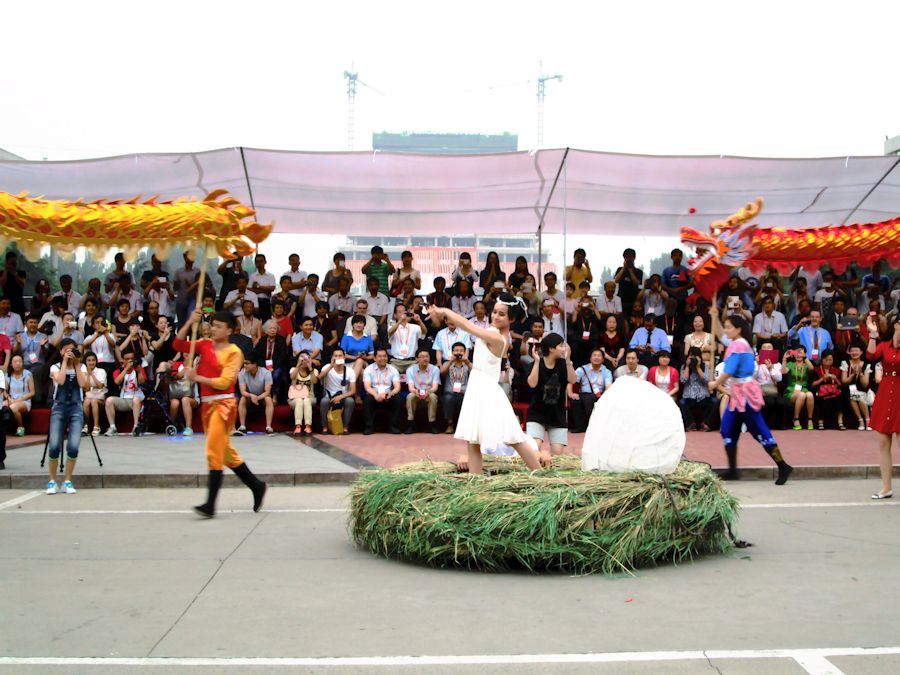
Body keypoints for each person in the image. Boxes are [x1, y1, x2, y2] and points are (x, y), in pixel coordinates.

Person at [425, 294, 543, 474]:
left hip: (487, 389)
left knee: (514, 436)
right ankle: (475, 480)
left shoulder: (497, 338)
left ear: (511, 318)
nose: (495, 316)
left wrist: (445, 311)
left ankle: (540, 475)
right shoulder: (493, 332)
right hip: (478, 386)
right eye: (494, 312)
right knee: (473, 438)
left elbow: (468, 326)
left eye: (502, 314)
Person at [175, 309, 267, 517]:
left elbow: (225, 382)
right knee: (225, 453)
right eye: (212, 325)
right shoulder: (204, 345)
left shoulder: (234, 352)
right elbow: (178, 345)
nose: (213, 329)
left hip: (223, 405)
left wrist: (196, 377)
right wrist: (190, 322)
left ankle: (210, 505)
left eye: (218, 326)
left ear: (229, 330)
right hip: (207, 406)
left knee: (213, 452)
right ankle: (256, 485)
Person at [707, 315, 793, 484]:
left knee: (759, 431)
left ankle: (783, 466)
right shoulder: (737, 342)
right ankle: (732, 470)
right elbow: (722, 336)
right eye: (725, 327)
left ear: (738, 329)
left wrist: (715, 383)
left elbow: (729, 370)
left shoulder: (738, 346)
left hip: (745, 396)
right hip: (737, 394)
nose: (725, 330)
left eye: (729, 327)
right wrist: (714, 316)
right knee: (727, 429)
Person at [44, 339, 88, 495]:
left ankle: (67, 480)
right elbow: (61, 380)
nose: (70, 353)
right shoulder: (55, 367)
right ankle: (52, 481)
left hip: (76, 407)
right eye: (67, 350)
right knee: (54, 445)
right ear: (61, 351)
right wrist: (65, 362)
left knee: (73, 446)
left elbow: (84, 385)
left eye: (73, 350)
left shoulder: (81, 367)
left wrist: (76, 364)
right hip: (59, 407)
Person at [866, 315, 900, 499]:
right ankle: (886, 487)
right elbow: (871, 355)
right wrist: (873, 334)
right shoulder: (885, 345)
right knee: (883, 442)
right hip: (886, 391)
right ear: (897, 324)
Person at [569, 348, 613, 433]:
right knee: (575, 401)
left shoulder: (606, 372)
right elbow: (570, 381)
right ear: (590, 358)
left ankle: (592, 427)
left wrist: (605, 398)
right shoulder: (582, 369)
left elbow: (608, 387)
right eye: (594, 355)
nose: (596, 357)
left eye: (599, 356)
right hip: (583, 394)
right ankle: (580, 427)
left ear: (603, 360)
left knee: (591, 399)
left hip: (599, 396)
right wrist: (571, 394)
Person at [104, 352, 146, 436]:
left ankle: (135, 427)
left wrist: (139, 372)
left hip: (136, 400)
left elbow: (142, 382)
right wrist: (126, 369)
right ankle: (112, 427)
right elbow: (117, 381)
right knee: (109, 400)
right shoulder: (118, 371)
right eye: (127, 359)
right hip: (123, 399)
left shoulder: (139, 369)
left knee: (136, 399)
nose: (130, 360)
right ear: (123, 361)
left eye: (132, 358)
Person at [361, 348, 402, 435]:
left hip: (388, 396)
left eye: (384, 356)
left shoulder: (393, 369)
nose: (382, 358)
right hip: (374, 395)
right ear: (375, 358)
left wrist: (391, 393)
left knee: (398, 398)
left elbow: (397, 386)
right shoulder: (369, 369)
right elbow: (367, 387)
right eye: (380, 356)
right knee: (367, 399)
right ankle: (369, 427)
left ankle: (393, 426)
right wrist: (376, 395)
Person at [318, 348, 356, 434]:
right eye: (336, 356)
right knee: (324, 401)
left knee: (350, 401)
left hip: (343, 396)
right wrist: (331, 365)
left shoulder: (350, 371)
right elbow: (319, 377)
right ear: (332, 357)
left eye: (340, 356)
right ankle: (325, 427)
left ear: (344, 357)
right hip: (329, 396)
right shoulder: (327, 367)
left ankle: (345, 427)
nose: (338, 358)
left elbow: (353, 390)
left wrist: (340, 397)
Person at [403, 348, 441, 434]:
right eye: (422, 357)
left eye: (427, 356)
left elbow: (435, 387)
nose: (425, 359)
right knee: (410, 396)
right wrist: (415, 391)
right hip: (416, 392)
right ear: (416, 359)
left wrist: (429, 391)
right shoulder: (410, 370)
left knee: (433, 397)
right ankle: (410, 422)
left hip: (429, 392)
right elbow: (411, 387)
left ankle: (432, 423)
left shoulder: (435, 369)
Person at [235, 355, 275, 436]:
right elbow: (243, 391)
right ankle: (242, 427)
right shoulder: (242, 373)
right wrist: (251, 396)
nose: (245, 365)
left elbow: (267, 392)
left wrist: (257, 397)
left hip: (262, 397)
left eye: (247, 363)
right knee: (243, 399)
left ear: (255, 364)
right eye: (244, 363)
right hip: (249, 397)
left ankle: (268, 427)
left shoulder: (266, 373)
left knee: (268, 399)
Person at [680, 347, 716, 432]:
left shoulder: (705, 366)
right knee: (682, 403)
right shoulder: (684, 367)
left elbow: (707, 380)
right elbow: (683, 380)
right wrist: (688, 366)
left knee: (714, 402)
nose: (693, 359)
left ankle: (706, 423)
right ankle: (690, 424)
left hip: (703, 396)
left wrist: (698, 367)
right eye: (691, 356)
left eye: (696, 357)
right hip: (689, 396)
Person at [439, 341, 470, 434]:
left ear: (465, 353)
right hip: (450, 392)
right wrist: (450, 362)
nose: (458, 353)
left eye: (461, 351)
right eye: (456, 350)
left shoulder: (467, 365)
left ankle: (464, 426)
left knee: (468, 399)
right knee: (448, 399)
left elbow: (475, 372)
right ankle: (450, 424)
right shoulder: (448, 364)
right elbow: (442, 372)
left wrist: (467, 362)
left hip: (465, 392)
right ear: (452, 352)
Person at [841, 343, 872, 431]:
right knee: (852, 397)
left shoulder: (866, 365)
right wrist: (853, 374)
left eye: (856, 351)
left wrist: (861, 374)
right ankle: (860, 420)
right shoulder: (845, 363)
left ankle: (868, 420)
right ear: (849, 352)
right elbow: (844, 381)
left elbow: (865, 384)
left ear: (861, 352)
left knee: (861, 396)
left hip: (861, 389)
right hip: (849, 389)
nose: (854, 353)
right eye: (852, 351)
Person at [782, 346, 815, 430]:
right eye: (797, 353)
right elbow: (783, 371)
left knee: (810, 395)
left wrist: (805, 357)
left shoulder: (806, 365)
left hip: (803, 389)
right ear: (793, 354)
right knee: (802, 395)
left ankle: (810, 419)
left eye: (801, 352)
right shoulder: (790, 364)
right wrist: (784, 359)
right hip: (791, 390)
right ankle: (796, 418)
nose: (799, 355)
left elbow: (812, 368)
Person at [812, 349, 844, 430]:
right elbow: (812, 384)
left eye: (830, 360)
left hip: (834, 392)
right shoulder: (816, 369)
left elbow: (840, 384)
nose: (828, 361)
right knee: (823, 400)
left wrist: (836, 379)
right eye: (826, 359)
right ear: (822, 359)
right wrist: (822, 379)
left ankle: (840, 422)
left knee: (839, 399)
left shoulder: (836, 370)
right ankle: (820, 422)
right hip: (821, 392)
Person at [288, 351, 318, 435]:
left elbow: (314, 381)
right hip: (294, 398)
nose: (304, 360)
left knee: (306, 400)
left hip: (310, 397)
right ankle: (298, 426)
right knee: (299, 400)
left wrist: (310, 367)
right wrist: (298, 365)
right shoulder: (293, 369)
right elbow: (292, 377)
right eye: (302, 357)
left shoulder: (314, 371)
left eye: (306, 358)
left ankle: (308, 426)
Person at [340, 315, 375, 384]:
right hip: (348, 363)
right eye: (356, 323)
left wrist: (365, 357)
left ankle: (350, 386)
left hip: (363, 363)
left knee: (360, 361)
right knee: (359, 370)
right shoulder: (346, 337)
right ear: (352, 325)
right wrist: (354, 357)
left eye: (361, 323)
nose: (359, 325)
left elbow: (372, 355)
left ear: (364, 325)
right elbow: (342, 354)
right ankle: (355, 393)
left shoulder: (368, 338)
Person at [167, 361, 199, 436]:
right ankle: (172, 425)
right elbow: (171, 378)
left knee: (185, 399)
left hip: (192, 397)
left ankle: (188, 428)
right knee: (175, 403)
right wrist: (179, 374)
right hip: (176, 394)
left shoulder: (195, 364)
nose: (186, 354)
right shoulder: (177, 365)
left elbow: (197, 377)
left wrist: (194, 367)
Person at [81, 351, 107, 437]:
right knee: (87, 401)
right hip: (89, 397)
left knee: (93, 401)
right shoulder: (83, 373)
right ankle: (86, 426)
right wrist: (88, 375)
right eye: (89, 360)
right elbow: (86, 388)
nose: (91, 362)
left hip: (100, 399)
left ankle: (96, 426)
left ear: (96, 361)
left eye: (93, 360)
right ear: (86, 362)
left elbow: (100, 386)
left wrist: (92, 374)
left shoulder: (101, 371)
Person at [7, 354, 34, 436]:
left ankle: (21, 427)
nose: (18, 363)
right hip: (11, 399)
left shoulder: (28, 374)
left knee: (13, 407)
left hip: (24, 401)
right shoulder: (8, 375)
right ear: (11, 364)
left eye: (20, 361)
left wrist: (17, 400)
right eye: (15, 362)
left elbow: (32, 393)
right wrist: (10, 399)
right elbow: (5, 392)